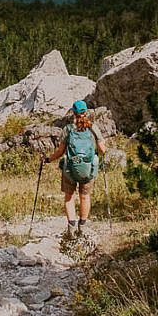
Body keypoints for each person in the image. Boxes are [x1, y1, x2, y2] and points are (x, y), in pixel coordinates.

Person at [42, 100, 107, 239]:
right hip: (88, 169)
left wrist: (48, 159)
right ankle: (82, 228)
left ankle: (71, 229)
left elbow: (60, 152)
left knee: (69, 197)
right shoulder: (93, 128)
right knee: (85, 196)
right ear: (86, 112)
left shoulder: (68, 129)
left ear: (73, 112)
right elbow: (102, 150)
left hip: (70, 169)